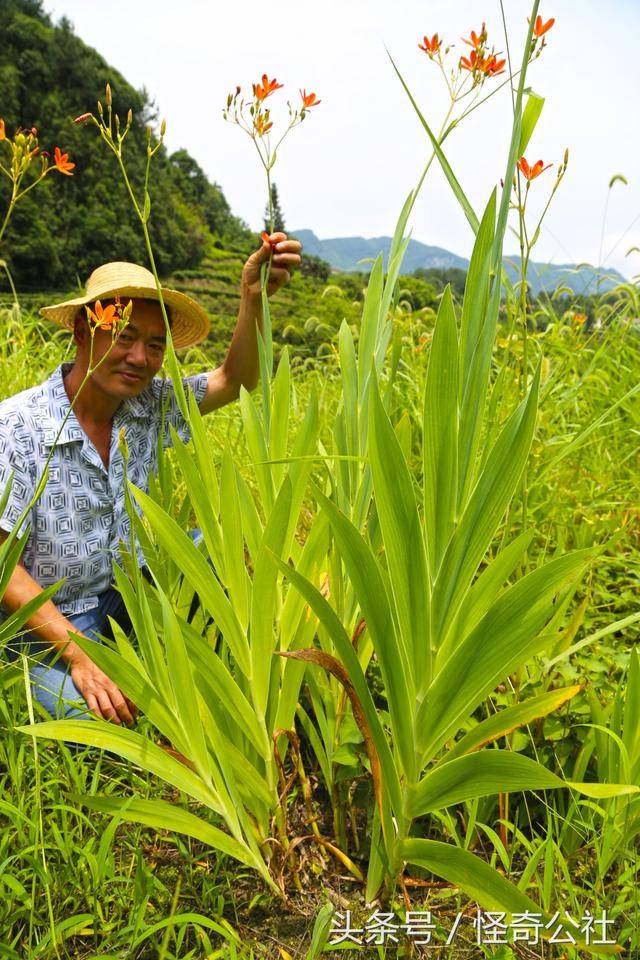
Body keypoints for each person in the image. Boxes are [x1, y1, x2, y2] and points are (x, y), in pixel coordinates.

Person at [0, 232, 302, 727]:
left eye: (154, 345)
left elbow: (236, 379)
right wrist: (78, 654)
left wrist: (252, 297)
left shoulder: (151, 405)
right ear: (82, 331)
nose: (140, 358)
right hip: (51, 620)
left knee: (218, 546)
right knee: (86, 718)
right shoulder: (17, 425)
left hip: (129, 590)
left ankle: (180, 655)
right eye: (123, 337)